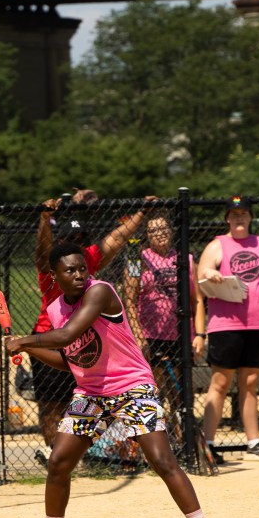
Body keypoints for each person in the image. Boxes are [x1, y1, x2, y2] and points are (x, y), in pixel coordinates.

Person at [4, 241, 225, 518]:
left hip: (131, 386)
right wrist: (28, 349)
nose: (80, 275)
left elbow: (67, 335)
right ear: (54, 275)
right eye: (70, 270)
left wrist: (24, 339)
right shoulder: (55, 310)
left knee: (162, 460)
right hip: (91, 392)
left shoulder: (101, 292)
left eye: (83, 268)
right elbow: (72, 359)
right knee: (58, 462)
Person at [30, 189, 152, 462]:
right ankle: (56, 457)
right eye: (69, 240)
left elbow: (118, 238)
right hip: (50, 337)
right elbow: (42, 250)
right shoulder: (51, 267)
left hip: (88, 345)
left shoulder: (87, 262)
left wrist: (143, 212)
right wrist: (44, 219)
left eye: (81, 240)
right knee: (52, 404)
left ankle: (91, 453)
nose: (76, 246)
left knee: (91, 399)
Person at [194, 196, 259, 464]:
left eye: (243, 213)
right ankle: (208, 444)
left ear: (251, 217)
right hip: (226, 325)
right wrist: (210, 273)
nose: (239, 218)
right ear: (227, 219)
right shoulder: (217, 244)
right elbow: (202, 272)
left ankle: (253, 443)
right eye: (234, 214)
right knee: (220, 382)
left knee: (250, 383)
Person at [123, 212, 196, 443]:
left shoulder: (183, 258)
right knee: (154, 389)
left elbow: (194, 299)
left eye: (164, 228)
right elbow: (129, 299)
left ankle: (182, 439)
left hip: (178, 334)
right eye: (154, 230)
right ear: (147, 235)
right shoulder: (138, 260)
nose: (160, 233)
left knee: (179, 393)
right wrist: (137, 334)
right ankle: (153, 439)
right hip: (150, 334)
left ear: (172, 231)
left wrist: (195, 333)